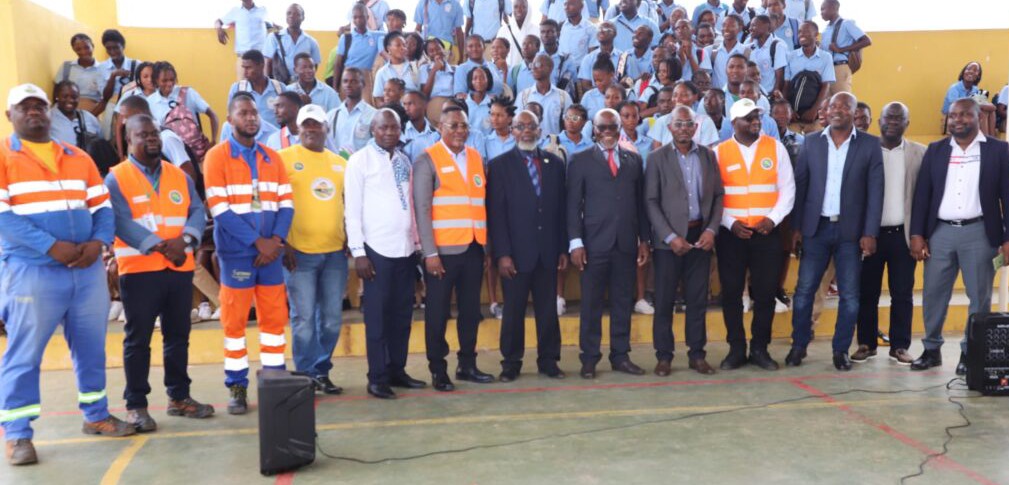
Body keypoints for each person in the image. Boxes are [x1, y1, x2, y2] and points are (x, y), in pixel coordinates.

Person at [1, 84, 134, 467]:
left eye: (39, 106)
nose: (34, 112)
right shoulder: (3, 156)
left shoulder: (77, 156)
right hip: (33, 272)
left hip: (86, 270)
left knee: (91, 347)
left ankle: (95, 416)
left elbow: (102, 208)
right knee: (24, 354)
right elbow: (3, 218)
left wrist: (99, 243)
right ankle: (18, 434)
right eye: (24, 107)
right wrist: (50, 246)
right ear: (11, 116)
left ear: (49, 112)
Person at [106, 114, 215, 432]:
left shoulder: (177, 175)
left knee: (178, 336)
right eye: (143, 134)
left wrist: (185, 240)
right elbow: (119, 220)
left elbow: (196, 209)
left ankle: (179, 397)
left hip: (178, 267)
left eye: (155, 133)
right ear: (129, 140)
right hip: (140, 271)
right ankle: (136, 405)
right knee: (138, 340)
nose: (152, 138)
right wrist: (156, 244)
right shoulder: (117, 178)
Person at [203, 93, 294, 414]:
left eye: (254, 113)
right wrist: (259, 243)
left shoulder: (273, 157)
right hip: (238, 256)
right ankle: (237, 386)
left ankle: (273, 379)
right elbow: (221, 211)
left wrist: (276, 241)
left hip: (271, 254)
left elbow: (287, 204)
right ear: (230, 120)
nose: (251, 118)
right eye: (243, 113)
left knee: (274, 320)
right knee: (235, 324)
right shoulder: (216, 158)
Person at [909, 98, 1009, 375]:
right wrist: (917, 233)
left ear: (978, 117)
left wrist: (1007, 238)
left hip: (980, 233)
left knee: (979, 298)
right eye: (953, 116)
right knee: (933, 294)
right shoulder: (937, 150)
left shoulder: (999, 150)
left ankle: (970, 354)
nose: (958, 120)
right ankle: (931, 350)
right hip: (940, 233)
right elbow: (922, 196)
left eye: (965, 115)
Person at [789, 92, 883, 371]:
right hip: (815, 229)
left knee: (850, 295)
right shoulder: (811, 142)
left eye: (844, 106)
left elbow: (875, 192)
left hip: (850, 233)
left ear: (855, 113)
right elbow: (801, 185)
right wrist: (796, 227)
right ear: (825, 111)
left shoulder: (869, 145)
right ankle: (799, 345)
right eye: (833, 106)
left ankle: (840, 350)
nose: (838, 109)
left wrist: (870, 232)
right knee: (804, 290)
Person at [413, 105, 495, 392]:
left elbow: (480, 203)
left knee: (471, 311)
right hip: (442, 253)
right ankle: (439, 369)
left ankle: (467, 364)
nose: (460, 131)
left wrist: (484, 247)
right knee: (437, 313)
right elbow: (422, 210)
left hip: (473, 248)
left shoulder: (475, 157)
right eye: (453, 126)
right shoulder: (427, 160)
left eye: (463, 126)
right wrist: (430, 253)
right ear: (440, 128)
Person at [346, 109, 427, 399]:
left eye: (394, 127)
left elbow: (410, 207)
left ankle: (397, 370)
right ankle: (377, 377)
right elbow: (352, 211)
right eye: (384, 128)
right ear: (373, 129)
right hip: (375, 251)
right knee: (378, 319)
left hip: (404, 250)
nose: (390, 132)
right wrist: (359, 253)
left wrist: (417, 247)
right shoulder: (359, 161)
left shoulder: (404, 160)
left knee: (402, 316)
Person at [567, 108, 651, 379]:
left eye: (612, 128)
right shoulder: (580, 160)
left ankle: (620, 355)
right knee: (590, 304)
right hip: (593, 245)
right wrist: (576, 243)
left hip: (625, 243)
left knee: (622, 302)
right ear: (594, 129)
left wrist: (644, 241)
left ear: (620, 129)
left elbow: (640, 205)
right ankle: (589, 358)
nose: (607, 133)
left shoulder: (633, 160)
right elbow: (572, 206)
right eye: (602, 128)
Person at [714, 98, 795, 371]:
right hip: (732, 235)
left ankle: (760, 348)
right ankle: (736, 348)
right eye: (749, 118)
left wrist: (772, 220)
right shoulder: (720, 152)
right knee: (732, 293)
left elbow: (787, 189)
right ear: (734, 123)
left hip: (765, 234)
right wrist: (729, 222)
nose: (755, 122)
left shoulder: (776, 148)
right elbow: (714, 197)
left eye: (757, 117)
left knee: (764, 293)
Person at [488, 110, 568, 381]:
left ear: (539, 130)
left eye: (530, 126)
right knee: (513, 311)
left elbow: (560, 211)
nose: (525, 131)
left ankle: (549, 361)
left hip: (547, 253)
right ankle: (511, 363)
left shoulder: (555, 164)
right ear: (512, 130)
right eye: (520, 126)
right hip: (515, 255)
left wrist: (562, 249)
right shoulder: (499, 166)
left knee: (547, 312)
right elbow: (496, 214)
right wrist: (503, 254)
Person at [645, 105, 723, 376]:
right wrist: (669, 236)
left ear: (696, 127)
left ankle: (697, 354)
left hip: (700, 237)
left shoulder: (708, 157)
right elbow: (651, 201)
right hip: (668, 241)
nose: (684, 129)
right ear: (670, 128)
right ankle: (664, 356)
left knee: (697, 300)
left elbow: (718, 197)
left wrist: (711, 230)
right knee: (665, 300)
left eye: (688, 124)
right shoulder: (656, 158)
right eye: (678, 124)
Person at [278, 104, 348, 395]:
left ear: (325, 128)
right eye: (305, 124)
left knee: (331, 319)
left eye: (316, 124)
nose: (311, 129)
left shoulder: (340, 163)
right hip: (299, 254)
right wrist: (283, 242)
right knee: (304, 319)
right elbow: (273, 203)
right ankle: (305, 374)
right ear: (297, 128)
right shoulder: (282, 159)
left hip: (334, 254)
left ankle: (321, 370)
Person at [850, 102, 923, 365]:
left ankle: (900, 346)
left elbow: (923, 199)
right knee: (866, 292)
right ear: (878, 121)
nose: (893, 122)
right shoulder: (864, 149)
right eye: (888, 117)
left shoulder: (919, 153)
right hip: (870, 235)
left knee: (902, 293)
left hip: (903, 236)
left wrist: (920, 235)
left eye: (899, 118)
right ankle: (866, 343)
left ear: (907, 122)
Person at [148, 62, 220, 143]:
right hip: (168, 151)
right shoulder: (150, 102)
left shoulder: (187, 93)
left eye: (172, 79)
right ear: (156, 81)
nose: (169, 84)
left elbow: (213, 115)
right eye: (164, 80)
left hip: (195, 150)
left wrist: (213, 141)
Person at [783, 20, 834, 135]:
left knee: (815, 147)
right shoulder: (791, 56)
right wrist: (789, 109)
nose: (801, 34)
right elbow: (786, 85)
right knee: (792, 146)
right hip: (793, 116)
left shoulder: (826, 57)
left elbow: (825, 86)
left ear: (816, 35)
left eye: (806, 32)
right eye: (800, 32)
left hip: (814, 116)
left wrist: (814, 110)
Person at [327, 3, 384, 95]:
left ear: (367, 17)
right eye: (355, 17)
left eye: (361, 17)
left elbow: (393, 35)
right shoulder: (346, 38)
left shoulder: (376, 36)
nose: (358, 20)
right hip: (348, 78)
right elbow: (337, 64)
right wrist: (335, 88)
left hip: (366, 81)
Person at [819, 0, 871, 96]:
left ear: (834, 8)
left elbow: (867, 41)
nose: (821, 13)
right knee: (827, 105)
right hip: (826, 70)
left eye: (823, 9)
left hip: (840, 68)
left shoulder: (846, 23)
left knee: (842, 100)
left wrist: (841, 49)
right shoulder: (826, 29)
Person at [227, 50, 288, 130]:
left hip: (274, 139)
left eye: (248, 68)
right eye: (243, 68)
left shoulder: (279, 88)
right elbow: (231, 117)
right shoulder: (237, 89)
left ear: (261, 66)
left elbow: (286, 117)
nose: (245, 72)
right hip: (248, 139)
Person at [263, 4, 321, 84]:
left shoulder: (311, 41)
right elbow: (267, 62)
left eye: (296, 14)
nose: (291, 16)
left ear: (303, 18)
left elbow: (314, 65)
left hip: (302, 84)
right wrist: (267, 83)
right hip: (279, 83)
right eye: (289, 13)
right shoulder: (274, 37)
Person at [516, 54, 572, 136]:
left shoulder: (563, 97)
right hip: (530, 145)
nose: (533, 68)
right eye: (532, 65)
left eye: (538, 64)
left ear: (550, 68)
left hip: (554, 146)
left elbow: (569, 125)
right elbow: (517, 124)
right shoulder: (523, 96)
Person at [216, 1, 273, 80]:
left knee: (262, 86)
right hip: (243, 58)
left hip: (260, 58)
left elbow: (271, 25)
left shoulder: (263, 10)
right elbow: (218, 21)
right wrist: (218, 28)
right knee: (242, 88)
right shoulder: (235, 11)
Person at [97, 29, 139, 138]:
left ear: (123, 46)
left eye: (116, 47)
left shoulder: (136, 64)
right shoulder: (102, 68)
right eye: (108, 49)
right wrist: (113, 76)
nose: (112, 51)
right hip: (112, 107)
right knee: (110, 137)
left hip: (133, 106)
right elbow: (105, 97)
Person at [327, 68, 376, 155]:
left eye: (353, 81)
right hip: (336, 166)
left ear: (363, 84)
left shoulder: (373, 115)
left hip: (362, 166)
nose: (348, 85)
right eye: (345, 81)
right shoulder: (332, 115)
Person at [942, 62, 998, 136]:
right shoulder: (954, 88)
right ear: (963, 73)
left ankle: (991, 140)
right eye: (968, 69)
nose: (971, 71)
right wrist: (979, 105)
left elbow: (990, 107)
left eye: (975, 70)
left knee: (990, 112)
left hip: (969, 114)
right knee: (983, 113)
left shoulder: (975, 89)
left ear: (978, 76)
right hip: (954, 116)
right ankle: (986, 142)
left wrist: (985, 105)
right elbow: (956, 107)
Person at [56, 33, 106, 115]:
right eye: (78, 49)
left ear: (92, 46)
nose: (83, 52)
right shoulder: (67, 67)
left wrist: (91, 117)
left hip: (93, 111)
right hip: (66, 110)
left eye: (87, 47)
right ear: (73, 49)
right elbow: (57, 90)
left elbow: (105, 98)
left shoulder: (102, 70)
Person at [49, 81, 102, 149]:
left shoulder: (89, 118)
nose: (70, 100)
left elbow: (101, 142)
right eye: (65, 96)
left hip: (87, 158)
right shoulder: (48, 118)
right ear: (57, 96)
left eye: (74, 97)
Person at [746, 15, 787, 97]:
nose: (750, 29)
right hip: (753, 95)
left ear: (766, 26)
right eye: (750, 26)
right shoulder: (750, 46)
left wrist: (773, 97)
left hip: (769, 95)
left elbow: (780, 77)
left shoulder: (777, 46)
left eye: (754, 25)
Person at [414, 0, 466, 64]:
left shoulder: (455, 4)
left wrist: (461, 56)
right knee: (425, 72)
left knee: (442, 72)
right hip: (426, 49)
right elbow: (418, 28)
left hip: (445, 49)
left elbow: (459, 31)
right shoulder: (423, 2)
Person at [557, 0, 599, 69]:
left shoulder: (591, 28)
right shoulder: (561, 26)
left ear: (581, 7)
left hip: (580, 70)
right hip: (561, 69)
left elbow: (592, 55)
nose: (566, 7)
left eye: (571, 4)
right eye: (565, 4)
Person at [497, 0, 537, 66]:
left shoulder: (535, 30)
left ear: (528, 9)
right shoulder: (504, 30)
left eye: (523, 7)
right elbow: (496, 52)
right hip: (508, 72)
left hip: (529, 71)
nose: (519, 10)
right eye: (516, 7)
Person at [485, 95, 516, 159]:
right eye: (492, 114)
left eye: (499, 115)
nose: (495, 119)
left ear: (509, 118)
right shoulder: (486, 141)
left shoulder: (518, 140)